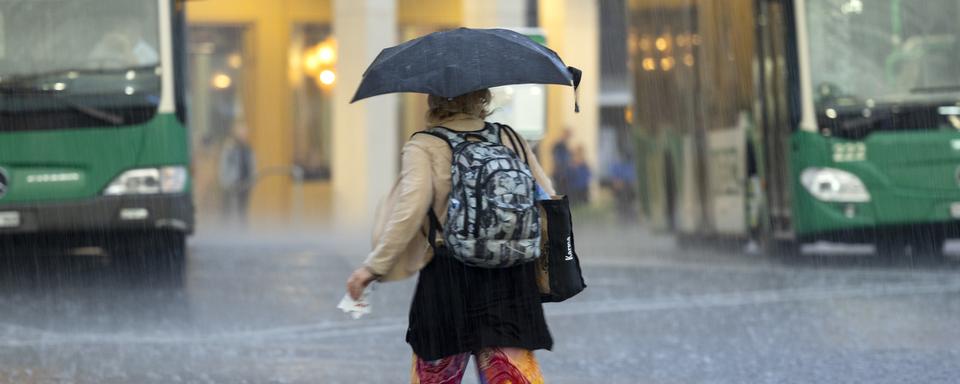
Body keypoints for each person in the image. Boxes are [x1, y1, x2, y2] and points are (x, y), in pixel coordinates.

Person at [346, 89, 554, 383]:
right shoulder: (511, 138)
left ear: (433, 99)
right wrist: (548, 269)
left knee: (436, 377)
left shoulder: (425, 144)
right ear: (482, 97)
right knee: (511, 376)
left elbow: (410, 211)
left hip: (448, 282)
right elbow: (548, 200)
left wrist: (373, 267)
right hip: (511, 282)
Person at [218, 122, 255, 226]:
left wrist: (252, 180)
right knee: (229, 209)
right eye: (242, 133)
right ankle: (227, 228)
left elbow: (252, 165)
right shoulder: (229, 148)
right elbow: (223, 166)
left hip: (245, 183)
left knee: (242, 209)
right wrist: (225, 182)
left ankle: (242, 228)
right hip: (231, 183)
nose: (244, 135)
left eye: (245, 133)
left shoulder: (248, 149)